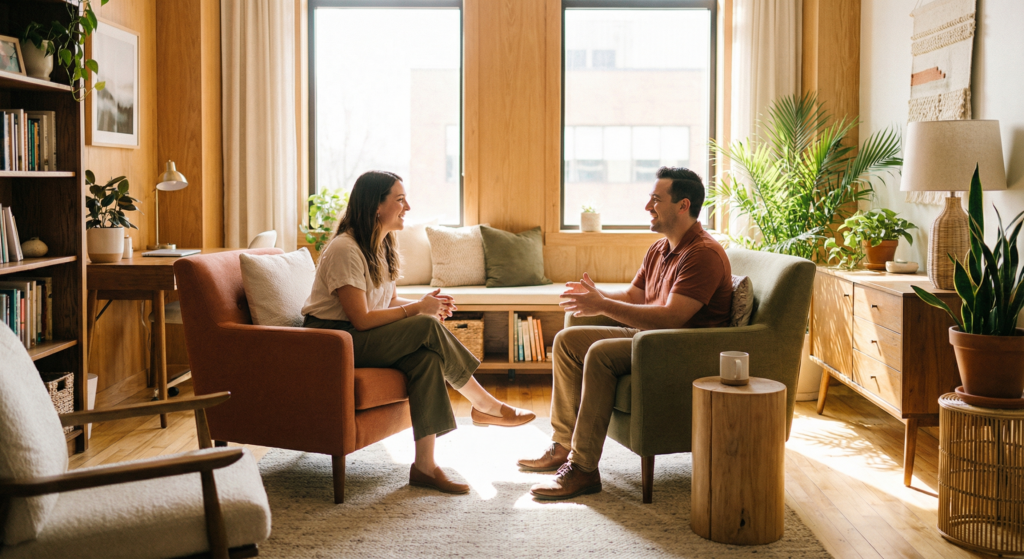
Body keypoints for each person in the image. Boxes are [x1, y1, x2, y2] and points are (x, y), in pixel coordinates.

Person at [302, 170, 535, 495]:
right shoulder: (345, 249)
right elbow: (362, 319)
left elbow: (389, 300)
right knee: (426, 325)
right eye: (399, 199)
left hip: (356, 335)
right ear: (376, 206)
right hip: (333, 340)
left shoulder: (381, 245)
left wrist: (426, 303)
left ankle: (425, 466)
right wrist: (420, 311)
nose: (407, 206)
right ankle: (485, 404)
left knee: (425, 359)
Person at [520, 166, 733, 500]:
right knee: (567, 341)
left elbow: (670, 319)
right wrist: (598, 298)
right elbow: (635, 297)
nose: (648, 207)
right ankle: (562, 445)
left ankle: (584, 469)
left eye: (655, 199)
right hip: (650, 339)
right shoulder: (659, 249)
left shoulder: (702, 255)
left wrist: (602, 306)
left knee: (601, 354)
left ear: (682, 205)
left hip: (681, 349)